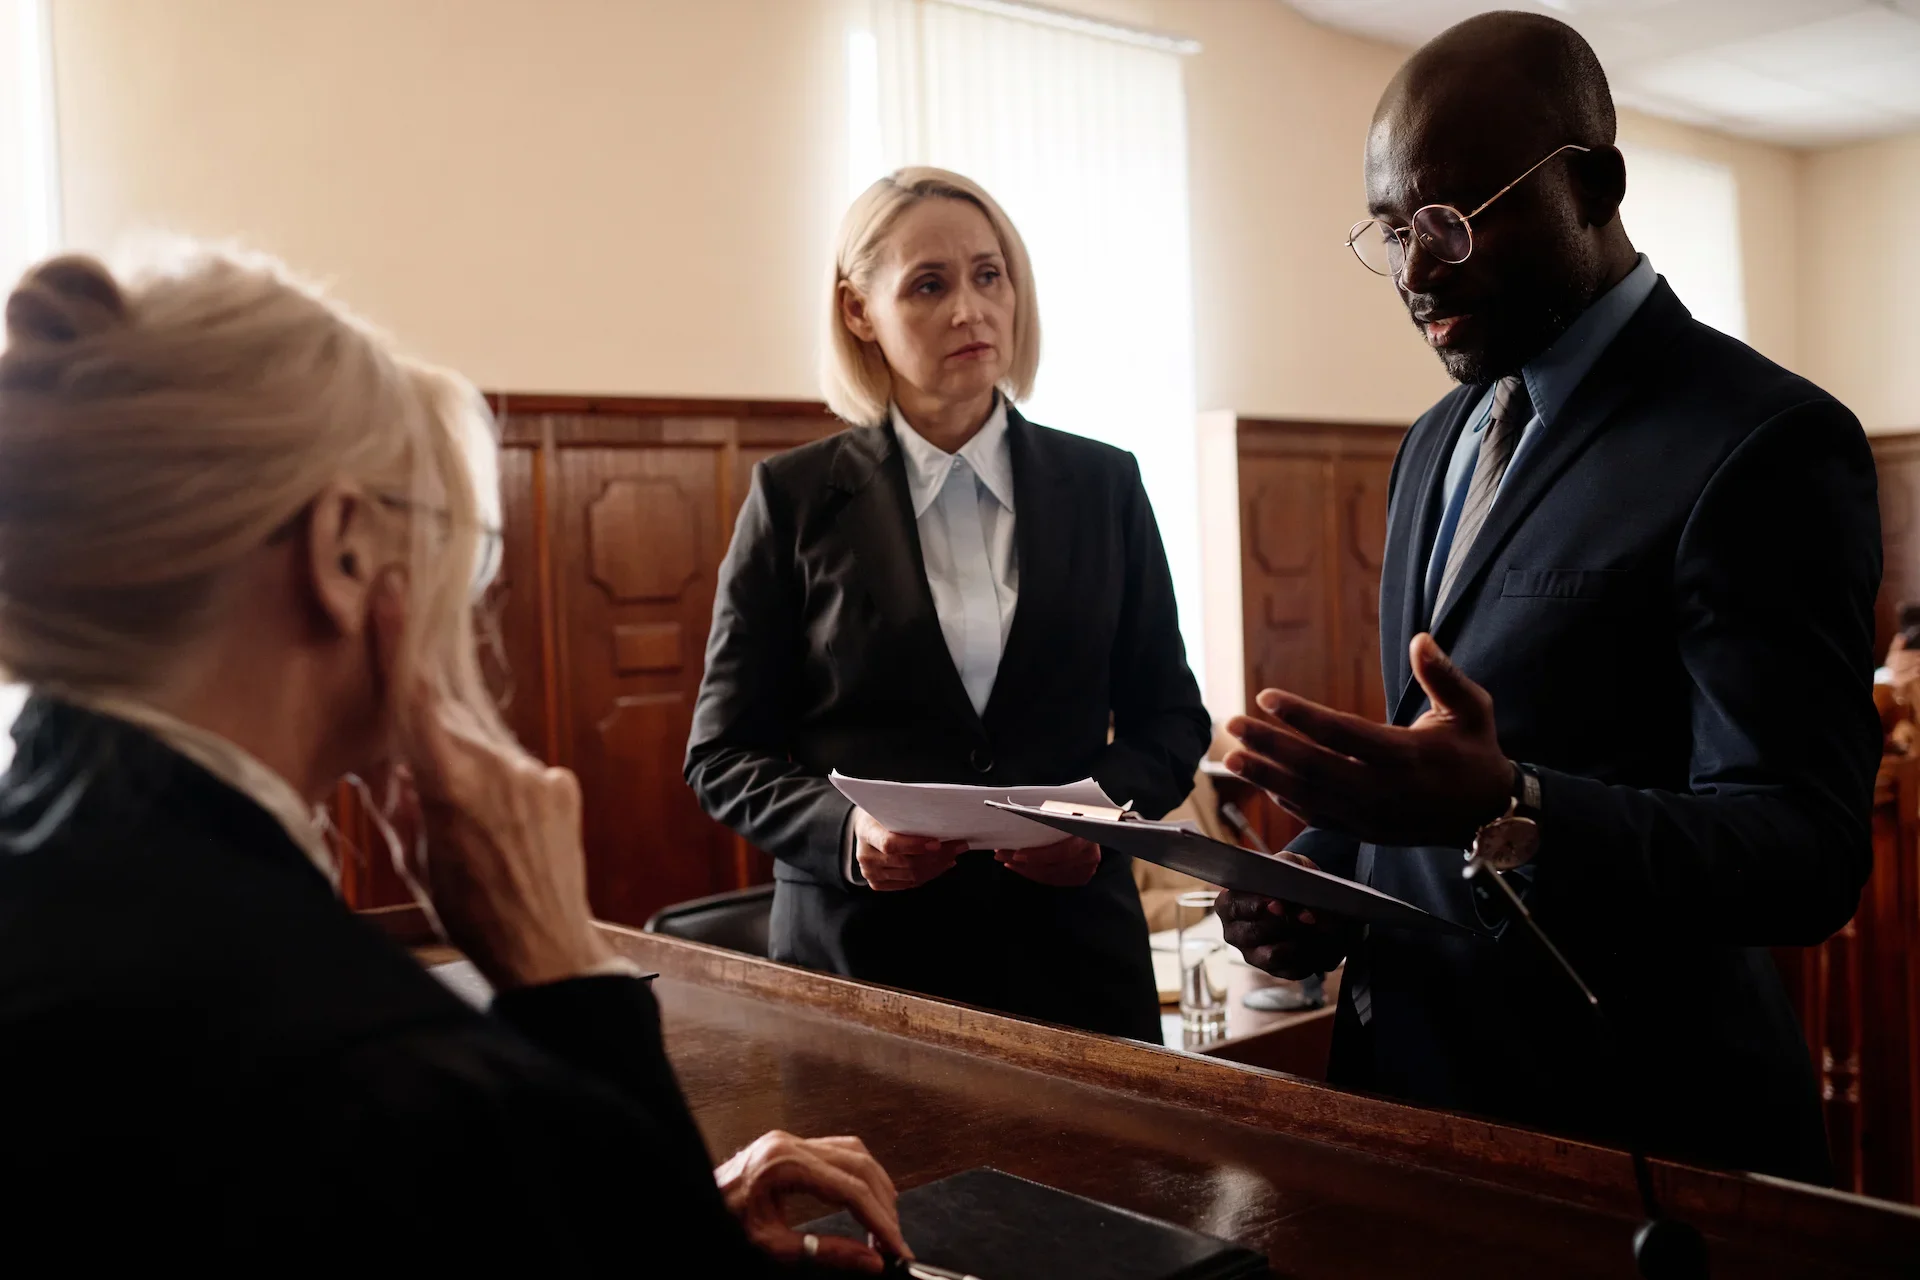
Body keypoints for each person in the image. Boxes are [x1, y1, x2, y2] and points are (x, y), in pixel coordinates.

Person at [0, 247, 910, 1270]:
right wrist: (563, 970)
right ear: (345, 552)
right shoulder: (377, 1073)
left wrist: (633, 1207)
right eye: (455, 544)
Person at [1215, 12, 1880, 1186]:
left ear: (1592, 185)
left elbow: (1805, 853)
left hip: (1635, 1135)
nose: (1416, 270)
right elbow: (1434, 773)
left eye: (1452, 220)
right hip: (1414, 1111)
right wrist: (1320, 874)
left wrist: (1517, 802)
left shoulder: (1764, 440)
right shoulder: (1432, 441)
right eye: (1390, 229)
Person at [686, 169, 1208, 1041]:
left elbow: (1170, 719)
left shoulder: (1105, 483)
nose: (970, 310)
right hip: (863, 974)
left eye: (988, 275)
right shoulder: (792, 498)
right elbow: (722, 752)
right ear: (859, 311)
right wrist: (847, 831)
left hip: (1074, 965)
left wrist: (1103, 817)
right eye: (929, 284)